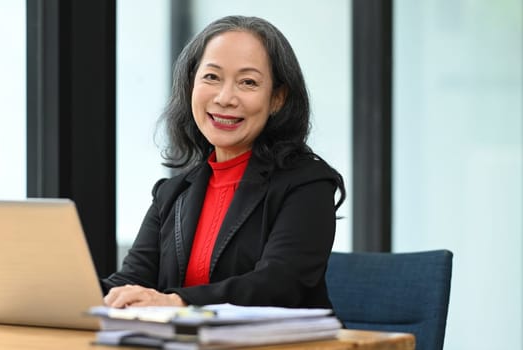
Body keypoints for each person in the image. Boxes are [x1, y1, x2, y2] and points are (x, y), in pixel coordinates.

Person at [102, 15, 345, 309]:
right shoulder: (172, 193)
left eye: (248, 82)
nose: (225, 97)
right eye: (212, 77)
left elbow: (279, 284)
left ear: (277, 99)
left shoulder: (307, 184)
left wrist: (179, 302)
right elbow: (131, 281)